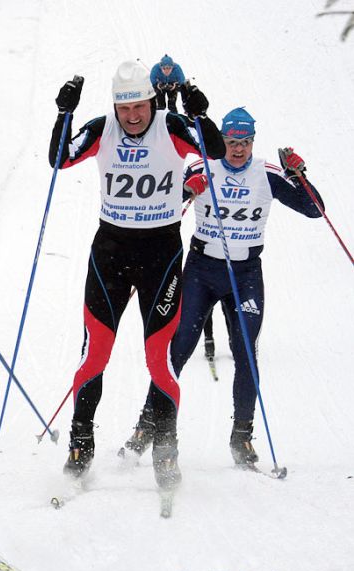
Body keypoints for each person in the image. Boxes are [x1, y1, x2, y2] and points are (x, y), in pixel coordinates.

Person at [48, 61, 225, 490]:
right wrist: (64, 114)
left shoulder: (172, 126)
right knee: (94, 355)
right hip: (110, 252)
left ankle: (166, 450)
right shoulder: (102, 127)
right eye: (124, 107)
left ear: (151, 101)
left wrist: (200, 113)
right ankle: (80, 444)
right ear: (115, 106)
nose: (132, 116)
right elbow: (59, 158)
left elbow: (216, 151)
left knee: (158, 359)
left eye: (139, 106)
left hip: (159, 255)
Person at [121, 107, 324, 467]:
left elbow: (314, 210)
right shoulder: (203, 166)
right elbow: (163, 201)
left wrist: (299, 175)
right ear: (222, 141)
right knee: (177, 349)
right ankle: (146, 426)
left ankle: (241, 437)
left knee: (246, 353)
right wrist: (188, 189)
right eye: (231, 142)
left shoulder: (266, 174)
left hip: (245, 275)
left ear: (253, 143)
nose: (238, 149)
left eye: (245, 142)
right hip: (201, 271)